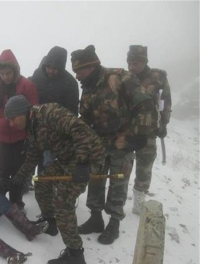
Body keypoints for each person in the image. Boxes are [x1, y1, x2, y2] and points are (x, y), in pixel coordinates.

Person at [4, 95, 106, 264]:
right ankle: (50, 222)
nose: (12, 124)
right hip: (68, 159)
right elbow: (32, 157)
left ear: (23, 112)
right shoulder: (31, 128)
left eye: (13, 118)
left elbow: (80, 129)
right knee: (42, 181)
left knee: (63, 202)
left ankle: (75, 256)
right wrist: (16, 180)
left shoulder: (49, 113)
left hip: (88, 157)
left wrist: (82, 163)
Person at [71, 45, 155, 245]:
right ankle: (95, 218)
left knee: (119, 182)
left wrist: (142, 134)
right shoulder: (88, 88)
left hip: (123, 142)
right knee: (96, 179)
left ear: (91, 67)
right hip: (99, 143)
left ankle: (114, 223)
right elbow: (86, 116)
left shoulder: (119, 78)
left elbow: (145, 104)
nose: (77, 76)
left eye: (79, 71)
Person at [0, 49, 39, 209]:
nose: (6, 77)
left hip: (21, 137)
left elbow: (35, 113)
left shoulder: (26, 85)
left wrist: (31, 138)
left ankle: (16, 202)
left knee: (19, 172)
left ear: (15, 71)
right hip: (2, 138)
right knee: (2, 170)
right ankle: (2, 201)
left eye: (9, 73)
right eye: (2, 73)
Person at [126, 45, 172, 214]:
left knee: (144, 168)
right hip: (129, 132)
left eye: (135, 63)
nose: (132, 67)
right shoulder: (126, 79)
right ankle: (119, 199)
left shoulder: (157, 78)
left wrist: (164, 123)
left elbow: (166, 101)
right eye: (129, 63)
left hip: (150, 132)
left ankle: (139, 202)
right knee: (124, 166)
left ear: (144, 62)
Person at [29, 46, 80, 177]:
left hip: (55, 130)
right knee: (29, 158)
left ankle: (45, 186)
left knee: (48, 162)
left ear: (61, 67)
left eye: (55, 68)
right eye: (48, 67)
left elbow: (72, 111)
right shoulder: (37, 75)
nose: (50, 71)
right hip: (35, 126)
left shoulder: (70, 83)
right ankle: (26, 185)